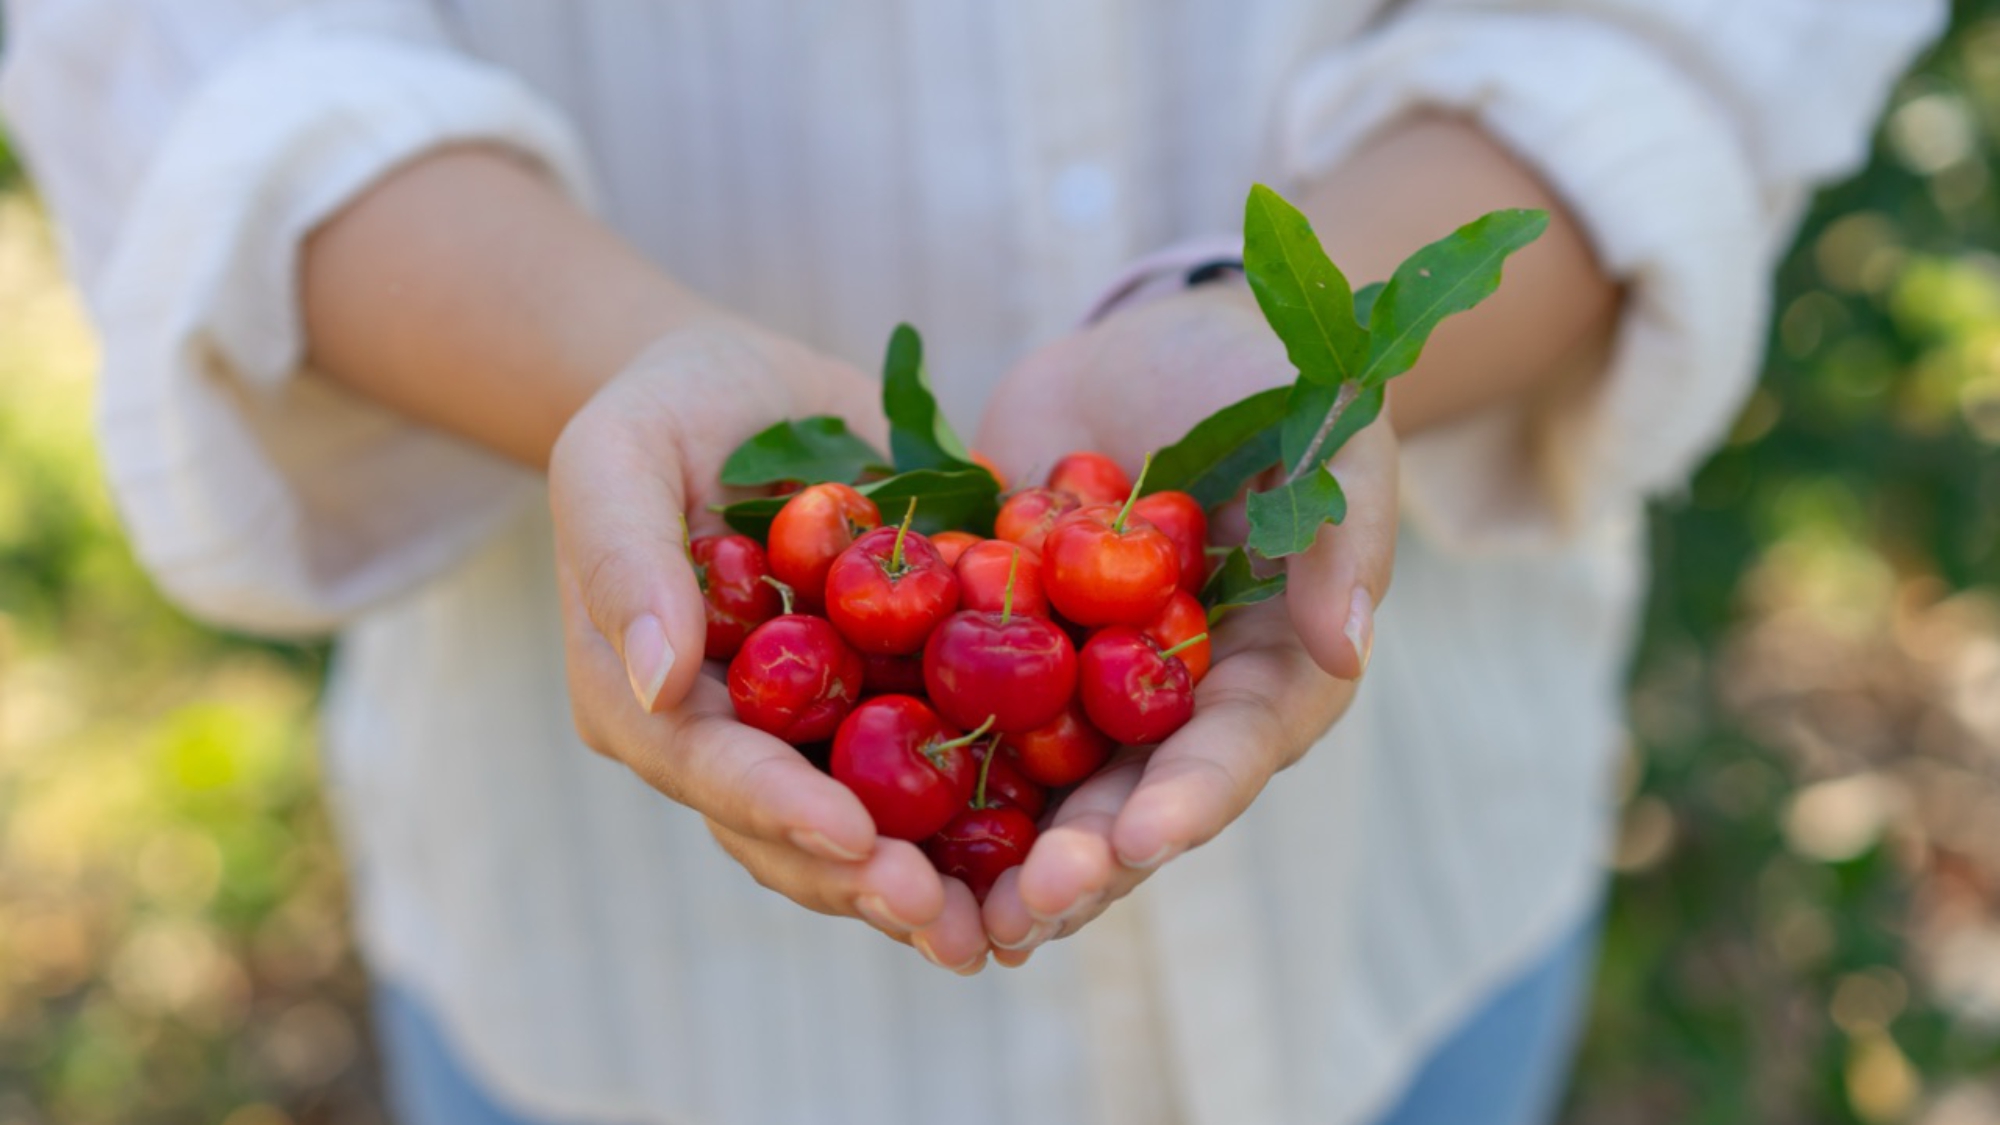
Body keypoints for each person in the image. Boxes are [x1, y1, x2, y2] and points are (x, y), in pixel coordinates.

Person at [0, 3, 1941, 1123]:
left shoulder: (967, 604)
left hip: (1394, 935)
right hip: (628, 1015)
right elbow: (186, 51)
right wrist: (614, 375)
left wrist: (1286, 364)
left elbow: (1697, 31)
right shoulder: (938, 612)